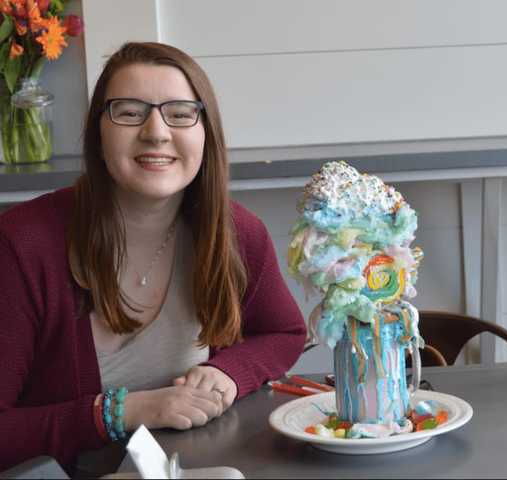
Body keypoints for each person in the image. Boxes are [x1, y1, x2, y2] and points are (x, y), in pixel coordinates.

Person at [0, 42, 307, 472]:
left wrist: (229, 373)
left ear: (206, 133)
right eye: (129, 112)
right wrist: (122, 412)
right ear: (98, 132)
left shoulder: (236, 233)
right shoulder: (23, 245)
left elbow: (284, 331)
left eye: (180, 113)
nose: (157, 131)